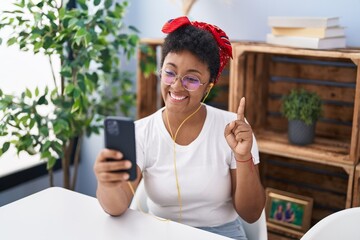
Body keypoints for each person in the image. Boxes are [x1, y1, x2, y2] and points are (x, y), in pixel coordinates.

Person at [93, 16, 265, 240]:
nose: (176, 85)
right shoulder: (142, 132)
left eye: (191, 79)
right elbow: (116, 207)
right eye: (170, 72)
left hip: (221, 234)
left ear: (208, 87)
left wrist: (243, 158)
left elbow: (251, 214)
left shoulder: (233, 131)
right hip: (161, 233)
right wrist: (106, 182)